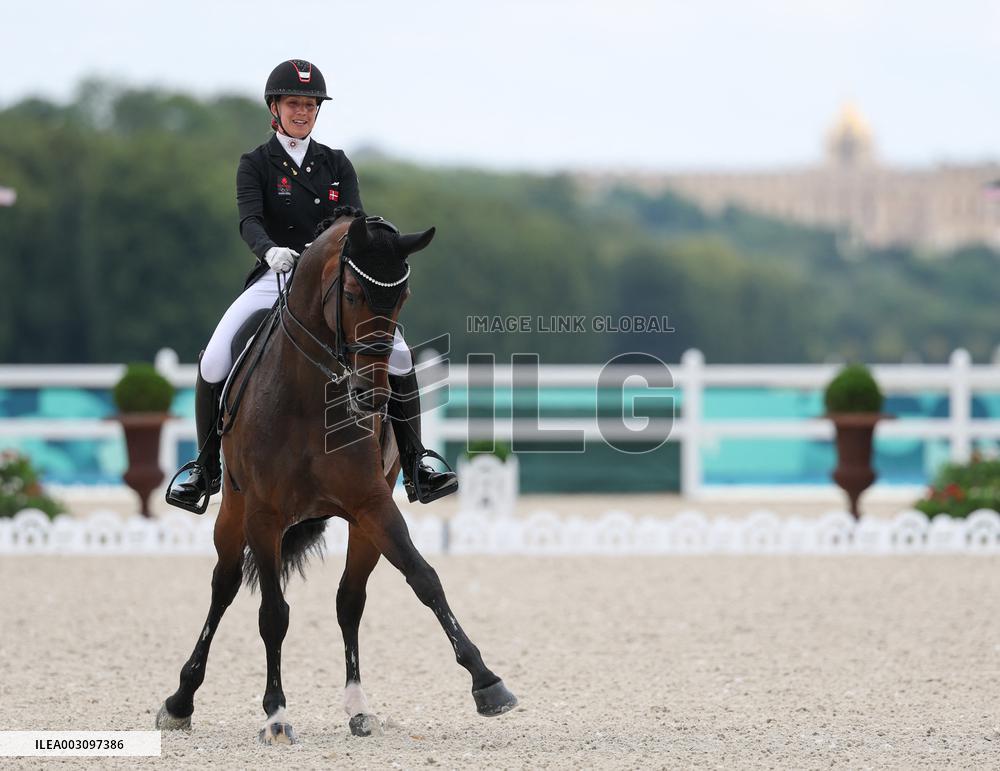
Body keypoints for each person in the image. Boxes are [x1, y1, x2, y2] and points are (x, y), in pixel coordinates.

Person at [166, 59, 457, 511]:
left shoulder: (336, 163)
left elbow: (356, 224)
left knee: (399, 356)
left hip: (332, 283)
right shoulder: (256, 164)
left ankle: (417, 462)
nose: (302, 112)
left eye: (309, 105)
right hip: (277, 274)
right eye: (294, 104)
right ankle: (205, 468)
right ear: (275, 108)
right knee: (216, 357)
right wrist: (268, 251)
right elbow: (249, 220)